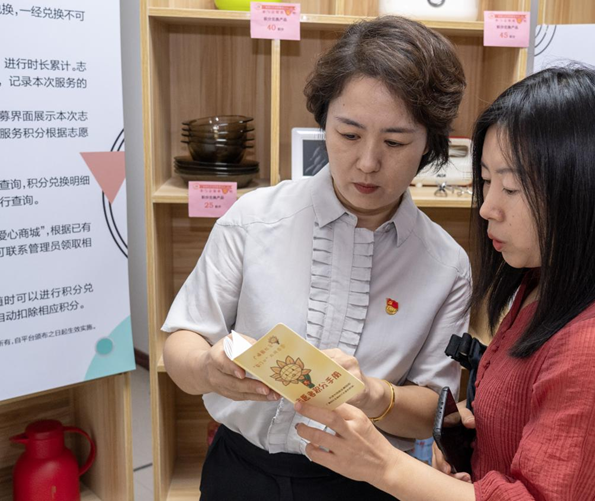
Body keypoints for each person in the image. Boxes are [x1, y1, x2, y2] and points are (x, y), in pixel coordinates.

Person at [294, 66, 595, 501]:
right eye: (485, 181)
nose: (487, 208)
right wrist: (471, 447)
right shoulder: (541, 284)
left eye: (512, 188)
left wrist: (384, 465)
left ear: (586, 191)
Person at [161, 16, 470, 501]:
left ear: (429, 142)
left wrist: (372, 394)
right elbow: (180, 342)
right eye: (349, 134)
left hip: (365, 483)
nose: (368, 162)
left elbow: (434, 412)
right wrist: (207, 367)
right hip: (241, 471)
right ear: (324, 123)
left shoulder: (446, 265)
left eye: (394, 142)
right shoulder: (253, 218)